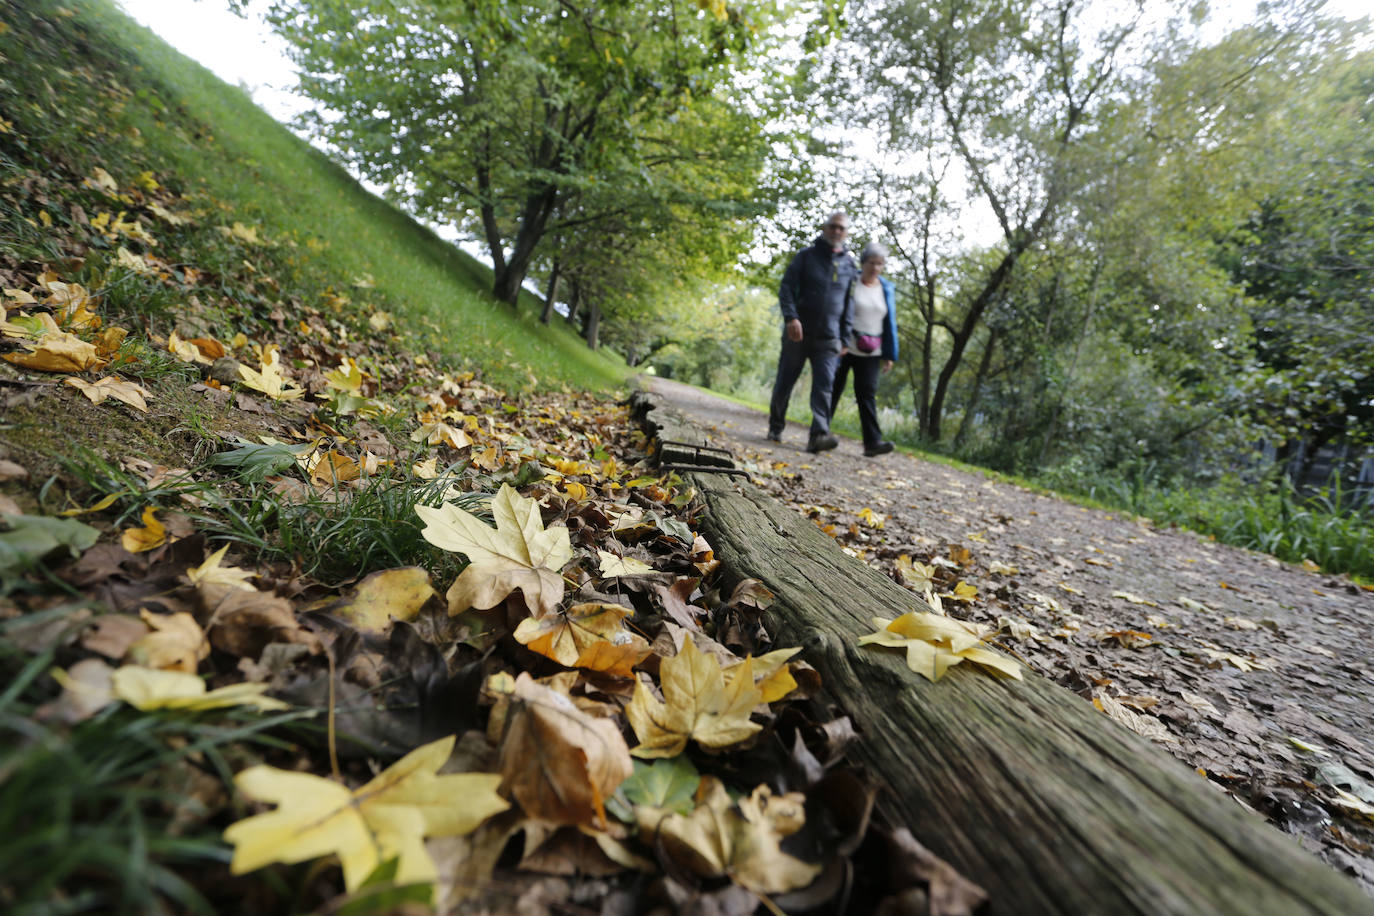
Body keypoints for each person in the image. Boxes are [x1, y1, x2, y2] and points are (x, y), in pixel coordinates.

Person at [767, 211, 858, 452]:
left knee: (825, 386)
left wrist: (845, 337)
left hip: (829, 339)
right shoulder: (806, 257)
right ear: (825, 228)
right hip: (798, 333)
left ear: (846, 232)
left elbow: (850, 304)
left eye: (841, 228)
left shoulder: (849, 265)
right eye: (833, 226)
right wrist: (791, 317)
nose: (837, 231)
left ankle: (818, 436)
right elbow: (786, 288)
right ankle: (775, 427)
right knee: (785, 382)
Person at [830, 242, 898, 457]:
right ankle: (819, 433)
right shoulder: (851, 281)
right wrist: (837, 339)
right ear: (863, 263)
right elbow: (837, 309)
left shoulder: (886, 288)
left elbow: (890, 323)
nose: (876, 268)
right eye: (872, 263)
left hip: (872, 351)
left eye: (880, 264)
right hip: (845, 346)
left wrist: (889, 354)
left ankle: (873, 443)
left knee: (867, 395)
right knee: (832, 390)